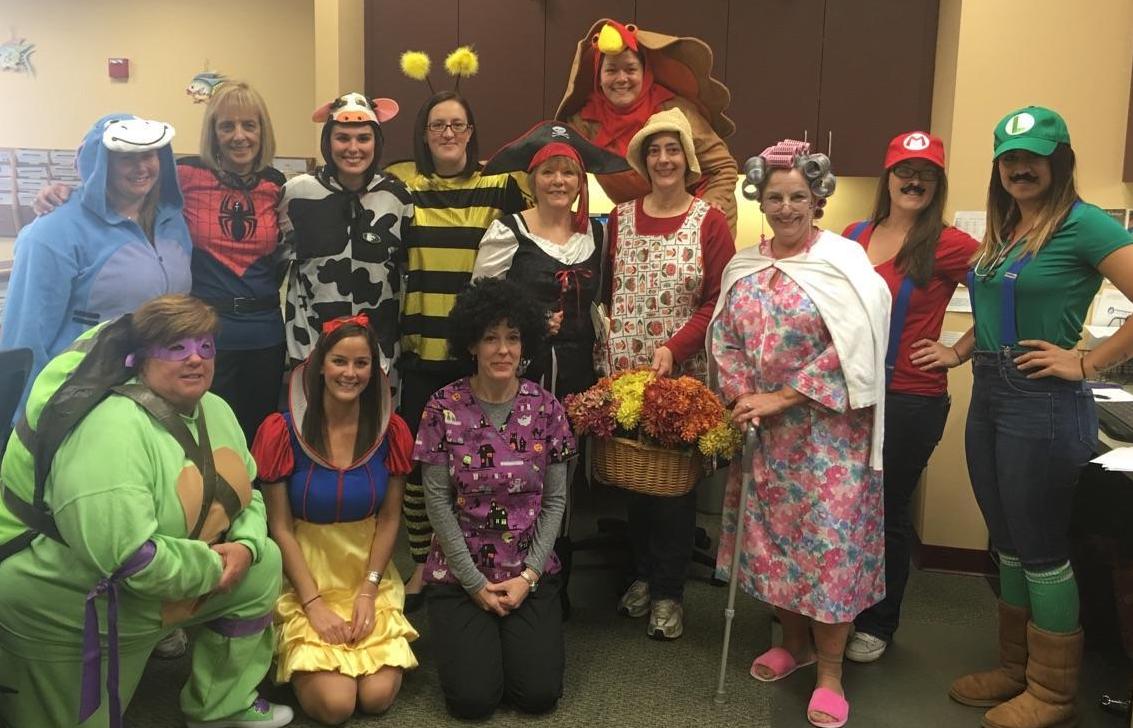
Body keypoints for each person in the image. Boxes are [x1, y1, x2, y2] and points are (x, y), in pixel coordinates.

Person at [0, 294, 291, 728]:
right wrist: (215, 567)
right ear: (139, 358)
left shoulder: (217, 409)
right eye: (176, 348)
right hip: (73, 597)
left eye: (205, 347)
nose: (195, 359)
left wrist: (246, 549)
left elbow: (246, 489)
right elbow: (128, 557)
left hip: (172, 581)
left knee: (265, 563)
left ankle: (221, 705)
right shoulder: (110, 430)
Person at [947, 106, 1133, 728]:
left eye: (1034, 156)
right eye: (1009, 158)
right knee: (1004, 540)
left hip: (1045, 404)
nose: (1020, 167)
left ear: (1060, 162)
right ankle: (1015, 668)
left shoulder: (1084, 227)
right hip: (992, 393)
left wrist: (1087, 364)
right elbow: (997, 306)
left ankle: (1053, 693)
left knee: (1041, 545)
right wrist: (958, 349)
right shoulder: (1006, 233)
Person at [709, 139, 890, 728]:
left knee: (829, 551)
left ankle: (832, 674)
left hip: (830, 437)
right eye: (774, 197)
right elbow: (725, 337)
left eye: (798, 197)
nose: (785, 208)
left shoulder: (842, 262)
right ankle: (795, 643)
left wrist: (784, 395)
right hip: (768, 435)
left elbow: (856, 345)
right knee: (776, 544)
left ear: (818, 200)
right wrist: (742, 395)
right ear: (760, 200)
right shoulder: (747, 264)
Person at [31, 82, 287, 447]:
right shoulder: (183, 176)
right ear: (212, 134)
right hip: (203, 330)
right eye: (226, 126)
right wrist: (61, 192)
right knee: (198, 432)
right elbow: (120, 179)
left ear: (264, 132)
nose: (239, 136)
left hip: (264, 330)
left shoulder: (279, 186)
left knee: (258, 434)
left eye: (250, 125)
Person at [385, 89, 528, 607]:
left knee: (482, 464)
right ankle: (423, 563)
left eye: (458, 125)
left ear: (471, 132)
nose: (448, 134)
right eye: (438, 125)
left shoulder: (502, 186)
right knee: (424, 469)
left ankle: (476, 558)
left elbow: (536, 243)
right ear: (424, 134)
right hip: (421, 345)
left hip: (479, 351)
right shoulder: (403, 186)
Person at [839, 132, 979, 663]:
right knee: (846, 506)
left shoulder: (949, 243)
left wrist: (958, 351)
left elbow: (1005, 292)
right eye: (904, 170)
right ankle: (839, 607)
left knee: (886, 511)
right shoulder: (854, 235)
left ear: (937, 183)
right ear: (888, 177)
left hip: (910, 399)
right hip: (850, 394)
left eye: (926, 173)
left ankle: (877, 623)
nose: (913, 180)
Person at [413, 278, 574, 720]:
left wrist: (529, 577)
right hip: (461, 575)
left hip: (528, 571)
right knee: (473, 702)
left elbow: (555, 502)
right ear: (471, 345)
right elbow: (437, 504)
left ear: (526, 344)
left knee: (538, 696)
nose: (503, 350)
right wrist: (473, 582)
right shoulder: (440, 407)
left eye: (513, 338)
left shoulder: (547, 409)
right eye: (490, 338)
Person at [251, 314, 418, 725]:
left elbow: (391, 519)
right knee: (336, 705)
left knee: (377, 697)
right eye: (340, 361)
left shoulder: (390, 432)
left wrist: (368, 591)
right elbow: (280, 528)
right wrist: (313, 604)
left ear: (374, 371)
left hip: (366, 572)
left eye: (361, 363)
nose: (350, 373)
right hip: (305, 571)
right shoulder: (282, 432)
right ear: (320, 365)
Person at [607, 108, 735, 641]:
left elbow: (717, 298)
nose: (663, 159)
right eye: (653, 151)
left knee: (675, 490)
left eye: (672, 150)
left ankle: (669, 592)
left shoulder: (710, 220)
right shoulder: (619, 217)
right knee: (635, 481)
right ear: (643, 161)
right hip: (625, 374)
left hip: (680, 376)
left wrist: (676, 347)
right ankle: (642, 574)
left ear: (688, 159)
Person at [2, 114, 191, 411]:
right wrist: (26, 424)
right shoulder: (53, 231)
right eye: (126, 157)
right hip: (81, 399)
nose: (141, 166)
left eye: (149, 154)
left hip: (156, 394)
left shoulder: (173, 222)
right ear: (100, 161)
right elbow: (26, 336)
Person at [556, 19, 739, 235]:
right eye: (611, 70)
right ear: (599, 77)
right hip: (640, 219)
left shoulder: (675, 109)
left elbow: (723, 167)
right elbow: (558, 169)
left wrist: (708, 207)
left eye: (630, 69)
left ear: (645, 71)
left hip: (701, 212)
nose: (621, 78)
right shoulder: (584, 123)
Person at [279, 92, 413, 373]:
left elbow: (406, 271)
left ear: (376, 142)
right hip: (312, 348)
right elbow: (277, 262)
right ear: (328, 141)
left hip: (379, 353)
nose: (353, 148)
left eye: (363, 138)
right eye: (343, 138)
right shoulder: (297, 193)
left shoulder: (397, 196)